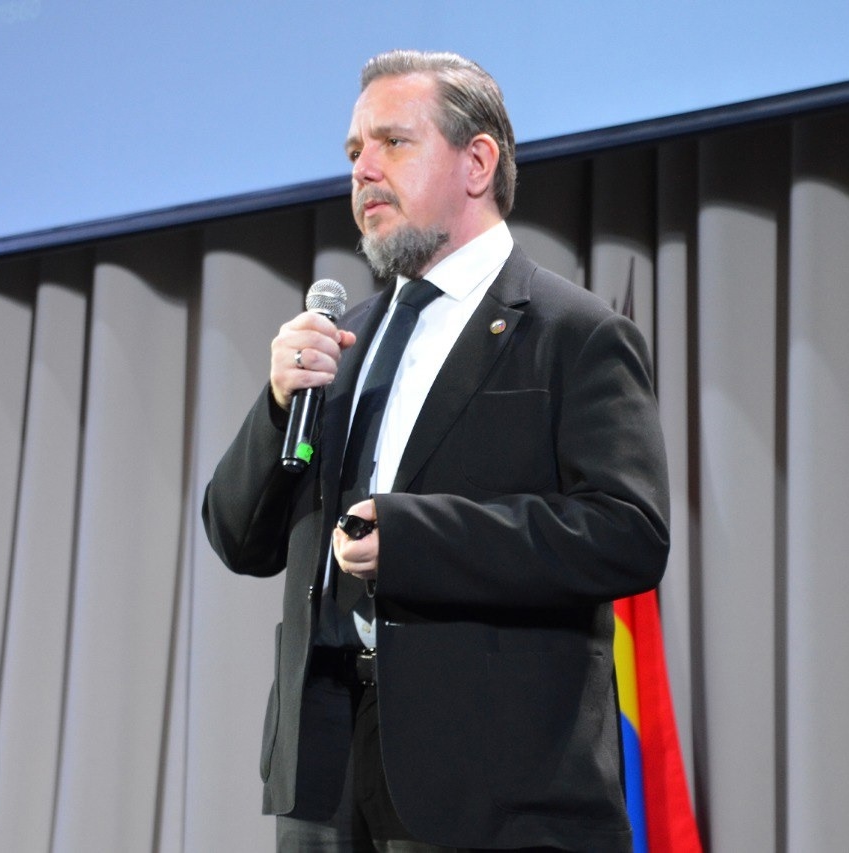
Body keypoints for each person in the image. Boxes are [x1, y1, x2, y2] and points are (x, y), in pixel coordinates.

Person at [203, 49, 670, 852]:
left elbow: (627, 533)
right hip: (326, 783)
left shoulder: (575, 332)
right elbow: (237, 537)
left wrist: (416, 539)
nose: (363, 171)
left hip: (493, 784)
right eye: (355, 151)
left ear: (477, 162)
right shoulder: (340, 344)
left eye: (393, 142)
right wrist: (279, 404)